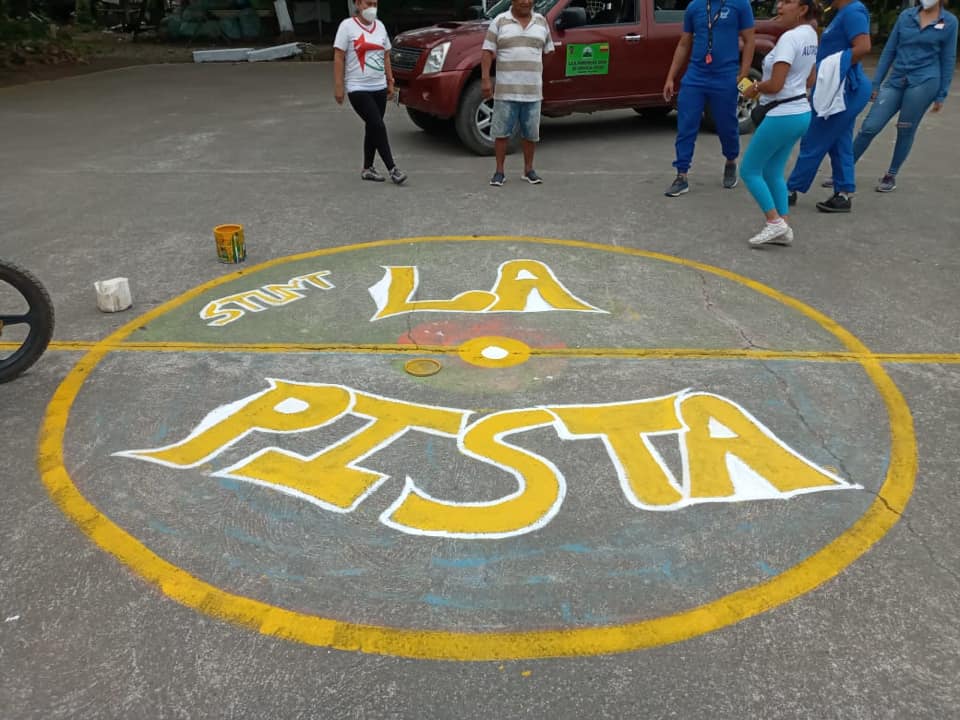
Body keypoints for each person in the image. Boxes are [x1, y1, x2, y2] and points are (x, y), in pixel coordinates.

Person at [849, 0, 957, 193]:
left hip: (925, 81)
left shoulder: (949, 22)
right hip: (896, 79)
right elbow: (889, 50)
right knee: (870, 126)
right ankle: (844, 170)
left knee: (905, 128)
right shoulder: (906, 16)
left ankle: (891, 174)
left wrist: (942, 94)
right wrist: (876, 83)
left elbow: (948, 59)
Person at [740, 0, 820, 246]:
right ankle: (783, 226)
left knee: (749, 170)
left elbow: (775, 85)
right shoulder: (811, 35)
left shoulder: (790, 38)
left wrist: (755, 87)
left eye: (787, 2)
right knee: (773, 171)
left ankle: (774, 222)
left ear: (802, 9)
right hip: (801, 112)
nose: (779, 6)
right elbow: (810, 79)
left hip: (782, 114)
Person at [662, 0, 756, 197]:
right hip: (696, 76)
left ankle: (731, 160)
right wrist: (670, 77)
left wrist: (743, 74)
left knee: (726, 125)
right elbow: (684, 43)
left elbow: (749, 40)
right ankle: (681, 175)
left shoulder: (740, 5)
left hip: (725, 75)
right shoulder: (694, 6)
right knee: (686, 125)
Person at [785, 0, 872, 213]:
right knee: (839, 142)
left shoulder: (853, 12)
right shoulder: (842, 13)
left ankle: (790, 190)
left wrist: (828, 68)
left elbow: (863, 47)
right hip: (839, 89)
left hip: (843, 89)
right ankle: (843, 194)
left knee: (815, 137)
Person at [481, 0, 555, 186]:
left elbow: (549, 51)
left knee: (531, 134)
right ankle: (499, 172)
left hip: (532, 92)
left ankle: (529, 170)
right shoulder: (499, 21)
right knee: (501, 133)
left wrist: (534, 70)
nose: (525, 2)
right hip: (506, 91)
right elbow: (487, 51)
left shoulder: (541, 22)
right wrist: (485, 79)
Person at [333, 0, 407, 184]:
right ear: (358, 4)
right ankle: (393, 168)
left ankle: (368, 168)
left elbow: (386, 55)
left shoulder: (380, 26)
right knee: (378, 125)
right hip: (358, 87)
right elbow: (339, 56)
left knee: (372, 126)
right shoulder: (347, 26)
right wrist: (339, 86)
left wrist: (390, 81)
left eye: (375, 3)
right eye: (368, 3)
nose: (372, 8)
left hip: (379, 87)